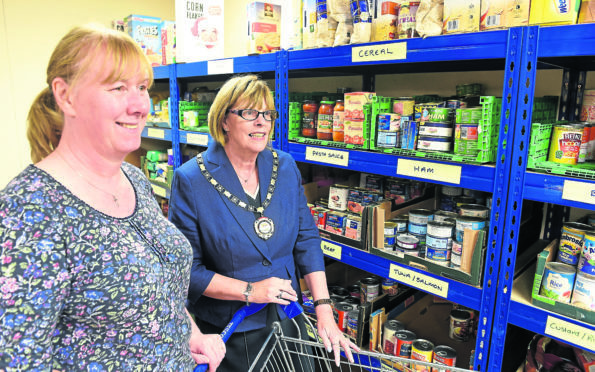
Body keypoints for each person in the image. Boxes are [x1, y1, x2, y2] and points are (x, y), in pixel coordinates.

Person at [0, 24, 225, 371]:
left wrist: (190, 334)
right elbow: (18, 361)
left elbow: (161, 283)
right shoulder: (28, 212)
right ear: (66, 95)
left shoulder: (134, 179)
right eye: (118, 87)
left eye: (142, 87)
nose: (139, 106)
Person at [169, 74, 359, 371]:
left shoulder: (284, 166)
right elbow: (187, 272)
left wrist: (324, 312)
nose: (262, 122)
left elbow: (306, 240)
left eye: (268, 114)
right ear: (223, 121)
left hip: (288, 318)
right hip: (230, 331)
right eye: (249, 113)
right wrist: (250, 290)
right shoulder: (191, 179)